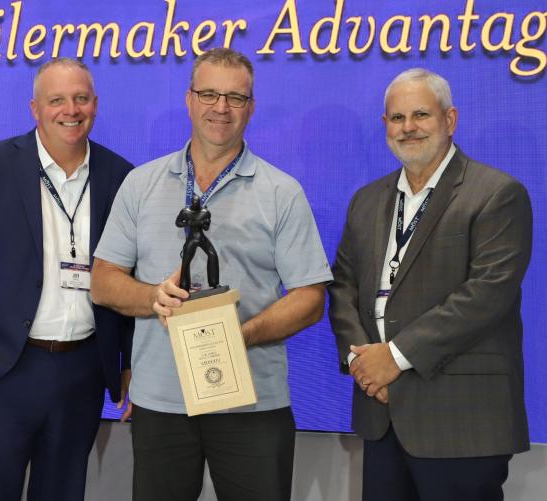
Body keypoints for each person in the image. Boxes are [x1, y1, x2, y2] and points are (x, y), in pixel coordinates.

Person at [90, 47, 332, 501]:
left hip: (253, 403)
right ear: (188, 99)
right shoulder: (140, 184)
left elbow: (311, 297)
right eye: (209, 94)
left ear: (251, 107)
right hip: (160, 403)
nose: (221, 108)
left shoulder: (282, 192)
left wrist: (240, 335)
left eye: (235, 98)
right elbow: (103, 281)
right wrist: (152, 299)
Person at [0, 58, 134, 501]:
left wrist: (128, 362)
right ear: (34, 108)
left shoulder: (122, 176)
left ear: (96, 105)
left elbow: (130, 275)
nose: (71, 109)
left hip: (81, 371)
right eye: (56, 100)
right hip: (0, 366)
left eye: (81, 98)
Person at [328, 68, 532, 501]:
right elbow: (342, 286)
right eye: (397, 118)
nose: (408, 128)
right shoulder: (366, 199)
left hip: (461, 418)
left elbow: (486, 295)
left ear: (450, 120)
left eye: (421, 114)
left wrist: (394, 357)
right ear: (385, 126)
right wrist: (363, 363)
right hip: (381, 410)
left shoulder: (496, 193)